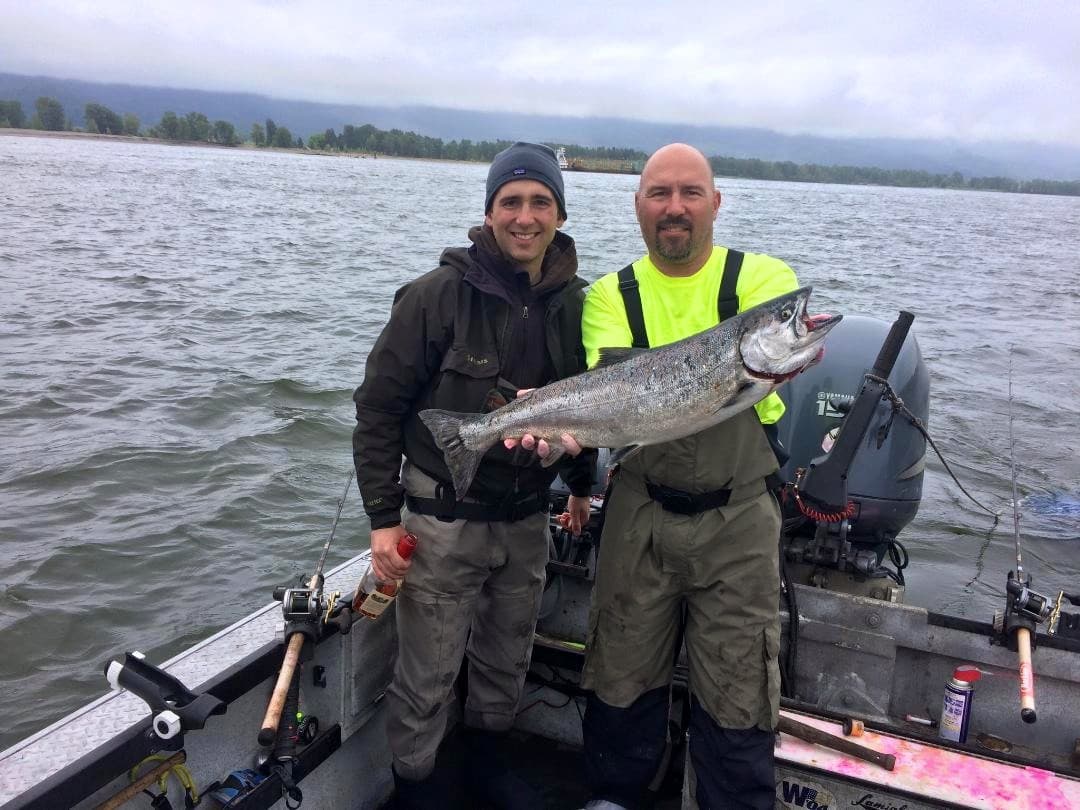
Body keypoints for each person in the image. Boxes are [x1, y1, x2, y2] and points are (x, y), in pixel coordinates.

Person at [351, 141, 595, 810]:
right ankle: (419, 789)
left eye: (540, 202)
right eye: (510, 202)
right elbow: (376, 409)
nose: (525, 217)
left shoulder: (580, 303)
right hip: (440, 526)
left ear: (559, 214)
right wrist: (381, 520)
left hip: (526, 523)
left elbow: (590, 405)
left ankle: (488, 772)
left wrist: (578, 488)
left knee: (504, 665)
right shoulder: (435, 297)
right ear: (488, 213)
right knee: (426, 677)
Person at [577, 143, 799, 810]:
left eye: (691, 193)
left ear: (716, 203)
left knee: (738, 698)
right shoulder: (608, 296)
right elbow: (614, 407)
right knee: (618, 682)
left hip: (739, 519)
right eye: (659, 194)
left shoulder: (763, 281)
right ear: (639, 206)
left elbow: (769, 361)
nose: (675, 208)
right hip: (640, 513)